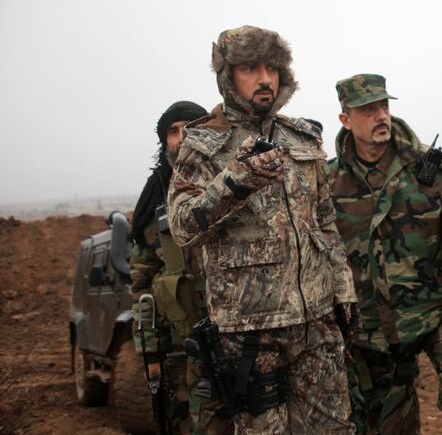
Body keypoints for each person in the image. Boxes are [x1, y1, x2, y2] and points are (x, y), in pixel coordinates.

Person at [167, 26, 359, 434]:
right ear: (227, 76)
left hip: (316, 323)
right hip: (250, 333)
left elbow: (325, 222)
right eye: (250, 68)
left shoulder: (302, 137)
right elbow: (183, 227)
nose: (265, 78)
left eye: (272, 67)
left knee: (334, 429)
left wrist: (343, 289)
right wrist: (236, 180)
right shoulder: (203, 145)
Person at [328, 74, 442, 434]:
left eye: (384, 107)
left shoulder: (430, 171)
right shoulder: (329, 183)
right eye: (368, 110)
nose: (380, 116)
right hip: (372, 332)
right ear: (345, 119)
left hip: (439, 313)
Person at [130, 100, 235, 433]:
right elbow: (142, 288)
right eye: (173, 132)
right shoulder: (153, 208)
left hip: (242, 336)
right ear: (164, 143)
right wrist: (151, 357)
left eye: (191, 128)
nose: (182, 137)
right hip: (182, 349)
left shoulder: (233, 185)